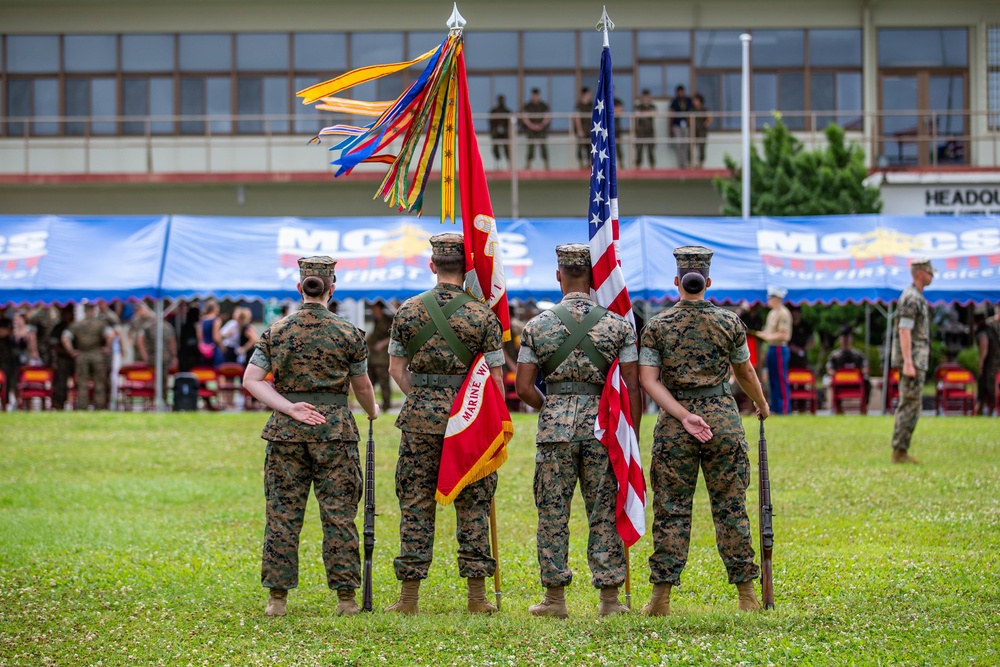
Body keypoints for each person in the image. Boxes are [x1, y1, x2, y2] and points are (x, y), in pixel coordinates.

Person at [243, 256, 380, 617]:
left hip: (286, 433)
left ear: (299, 287)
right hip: (334, 433)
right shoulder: (348, 333)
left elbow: (251, 381)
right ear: (332, 289)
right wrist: (372, 410)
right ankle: (346, 600)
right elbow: (362, 385)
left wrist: (288, 408)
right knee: (339, 515)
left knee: (282, 515)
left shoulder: (276, 331)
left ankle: (277, 600)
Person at [638, 246, 769, 616]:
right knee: (731, 507)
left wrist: (681, 415)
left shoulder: (657, 326)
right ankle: (747, 595)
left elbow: (649, 381)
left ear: (677, 281)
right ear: (708, 282)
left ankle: (660, 599)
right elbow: (744, 371)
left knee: (671, 509)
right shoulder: (730, 322)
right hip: (722, 420)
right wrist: (760, 403)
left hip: (675, 425)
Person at [514, 243, 641, 618]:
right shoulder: (618, 325)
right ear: (593, 276)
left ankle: (555, 600)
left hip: (555, 430)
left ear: (559, 275)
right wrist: (628, 433)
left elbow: (523, 388)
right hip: (604, 428)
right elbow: (631, 383)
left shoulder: (536, 326)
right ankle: (610, 600)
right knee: (603, 509)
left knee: (552, 511)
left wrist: (550, 407)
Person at [385, 232, 505, 615]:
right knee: (473, 502)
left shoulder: (407, 311)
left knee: (416, 502)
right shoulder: (483, 314)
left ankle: (408, 599)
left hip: (419, 419)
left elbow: (395, 369)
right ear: (465, 268)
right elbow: (496, 378)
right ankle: (476, 598)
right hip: (469, 420)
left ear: (432, 265)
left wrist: (421, 397)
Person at [890, 258, 934, 464]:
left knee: (913, 404)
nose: (932, 275)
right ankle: (899, 451)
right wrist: (908, 362)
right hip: (913, 360)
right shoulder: (911, 298)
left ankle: (901, 449)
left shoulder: (917, 297)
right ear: (919, 273)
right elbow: (904, 330)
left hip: (916, 359)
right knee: (909, 403)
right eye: (929, 272)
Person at [62, 301, 114, 410]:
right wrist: (107, 348)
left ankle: (82, 406)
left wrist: (71, 351)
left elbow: (65, 338)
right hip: (97, 354)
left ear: (84, 311)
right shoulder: (100, 323)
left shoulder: (77, 324)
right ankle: (99, 406)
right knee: (99, 382)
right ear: (93, 310)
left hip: (82, 355)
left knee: (82, 383)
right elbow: (110, 335)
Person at [756, 286, 792, 415]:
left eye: (770, 297)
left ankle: (784, 408)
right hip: (771, 348)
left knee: (780, 379)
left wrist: (767, 336)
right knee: (772, 379)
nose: (768, 300)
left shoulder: (783, 313)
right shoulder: (772, 313)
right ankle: (776, 407)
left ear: (777, 298)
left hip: (779, 348)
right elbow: (768, 331)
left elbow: (784, 335)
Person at [826, 326, 871, 404]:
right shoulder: (835, 356)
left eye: (848, 338)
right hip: (840, 383)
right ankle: (837, 407)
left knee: (867, 382)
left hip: (855, 383)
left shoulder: (858, 355)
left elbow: (866, 368)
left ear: (851, 339)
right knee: (831, 383)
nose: (846, 340)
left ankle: (864, 405)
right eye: (844, 338)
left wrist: (862, 371)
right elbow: (829, 369)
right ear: (840, 340)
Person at [366, 299, 394, 413]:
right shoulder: (376, 320)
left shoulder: (388, 320)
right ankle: (369, 404)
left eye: (374, 308)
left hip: (383, 358)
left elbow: (393, 335)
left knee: (384, 383)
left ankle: (386, 405)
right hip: (373, 357)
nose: (373, 311)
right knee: (370, 382)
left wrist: (382, 343)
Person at [49, 305, 77, 410]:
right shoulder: (58, 328)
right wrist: (67, 353)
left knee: (79, 382)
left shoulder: (77, 326)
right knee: (60, 382)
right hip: (63, 359)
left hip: (76, 359)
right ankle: (59, 404)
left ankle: (78, 403)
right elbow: (53, 345)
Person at [975, 306, 1000, 415]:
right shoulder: (992, 327)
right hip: (996, 360)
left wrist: (980, 363)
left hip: (990, 363)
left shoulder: (983, 330)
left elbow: (984, 348)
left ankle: (992, 410)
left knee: (988, 386)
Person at [522, 88, 551, 170]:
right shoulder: (528, 106)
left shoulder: (543, 105)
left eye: (537, 95)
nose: (535, 97)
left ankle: (546, 164)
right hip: (531, 129)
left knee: (543, 146)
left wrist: (541, 125)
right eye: (534, 95)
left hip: (542, 129)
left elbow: (547, 116)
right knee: (530, 147)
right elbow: (525, 117)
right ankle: (528, 164)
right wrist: (531, 125)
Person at [669, 85, 693, 169]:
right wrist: (670, 126)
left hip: (686, 126)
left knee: (685, 144)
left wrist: (690, 123)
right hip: (676, 125)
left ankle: (686, 163)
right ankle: (680, 164)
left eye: (682, 92)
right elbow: (671, 114)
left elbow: (691, 112)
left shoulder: (688, 100)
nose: (680, 94)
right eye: (679, 92)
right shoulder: (674, 101)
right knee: (678, 145)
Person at [197, 301, 224, 367]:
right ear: (215, 308)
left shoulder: (202, 320)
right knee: (218, 370)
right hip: (214, 348)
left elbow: (200, 336)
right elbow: (216, 337)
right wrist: (222, 346)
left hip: (204, 349)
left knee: (206, 371)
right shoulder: (216, 320)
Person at [634, 89, 656, 169]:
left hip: (650, 131)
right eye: (644, 97)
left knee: (651, 150)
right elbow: (636, 114)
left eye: (647, 97)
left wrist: (642, 114)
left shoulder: (652, 106)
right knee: (639, 150)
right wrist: (647, 114)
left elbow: (653, 113)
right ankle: (638, 167)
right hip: (640, 132)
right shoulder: (638, 106)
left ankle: (652, 167)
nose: (646, 99)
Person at [489, 94, 512, 168]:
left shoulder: (508, 111)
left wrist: (505, 129)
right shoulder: (494, 111)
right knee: (495, 148)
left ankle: (509, 164)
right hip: (496, 133)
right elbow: (491, 122)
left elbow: (510, 123)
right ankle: (497, 163)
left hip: (505, 133)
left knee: (507, 147)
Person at [572, 88, 593, 170]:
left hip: (590, 129)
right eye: (589, 94)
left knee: (590, 148)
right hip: (582, 129)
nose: (590, 96)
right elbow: (577, 118)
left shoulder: (591, 105)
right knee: (580, 148)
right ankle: (581, 164)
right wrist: (579, 130)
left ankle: (589, 164)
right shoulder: (579, 105)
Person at [691, 93, 712, 169]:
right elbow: (688, 119)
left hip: (702, 131)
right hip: (693, 131)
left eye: (696, 100)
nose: (694, 102)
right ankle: (691, 164)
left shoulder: (704, 110)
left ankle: (700, 164)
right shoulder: (692, 110)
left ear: (700, 101)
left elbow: (710, 118)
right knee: (691, 147)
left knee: (701, 147)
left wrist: (705, 124)